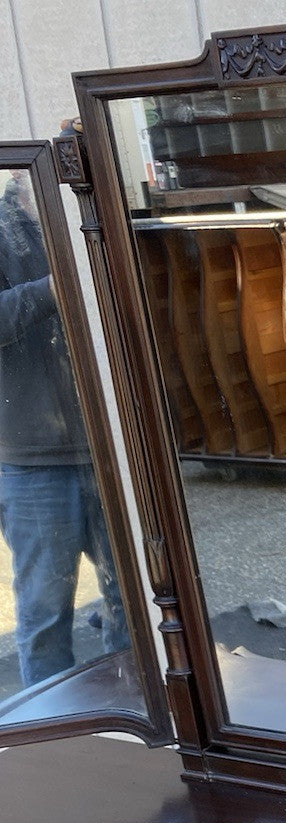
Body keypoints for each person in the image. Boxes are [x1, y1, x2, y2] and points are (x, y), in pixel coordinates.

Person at [0, 171, 128, 688]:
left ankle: (137, 707)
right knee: (46, 612)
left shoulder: (92, 223)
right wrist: (55, 289)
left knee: (132, 595)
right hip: (34, 460)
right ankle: (51, 731)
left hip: (111, 448)